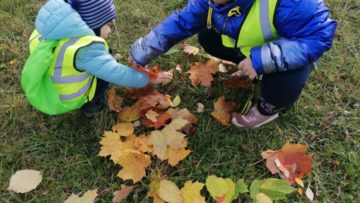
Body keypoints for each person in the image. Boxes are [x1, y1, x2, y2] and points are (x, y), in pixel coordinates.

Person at [129, 0, 337, 128]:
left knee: (285, 82)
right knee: (208, 37)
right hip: (251, 47)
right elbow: (182, 22)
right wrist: (143, 51)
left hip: (289, 53)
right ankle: (254, 69)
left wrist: (262, 60)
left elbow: (318, 35)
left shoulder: (292, 2)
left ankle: (268, 109)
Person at [22, 0, 161, 117]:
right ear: (91, 25)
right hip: (67, 98)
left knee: (100, 60)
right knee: (104, 71)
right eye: (107, 25)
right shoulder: (85, 50)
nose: (110, 30)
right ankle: (93, 105)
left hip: (49, 87)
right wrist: (149, 78)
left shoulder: (46, 30)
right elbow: (117, 74)